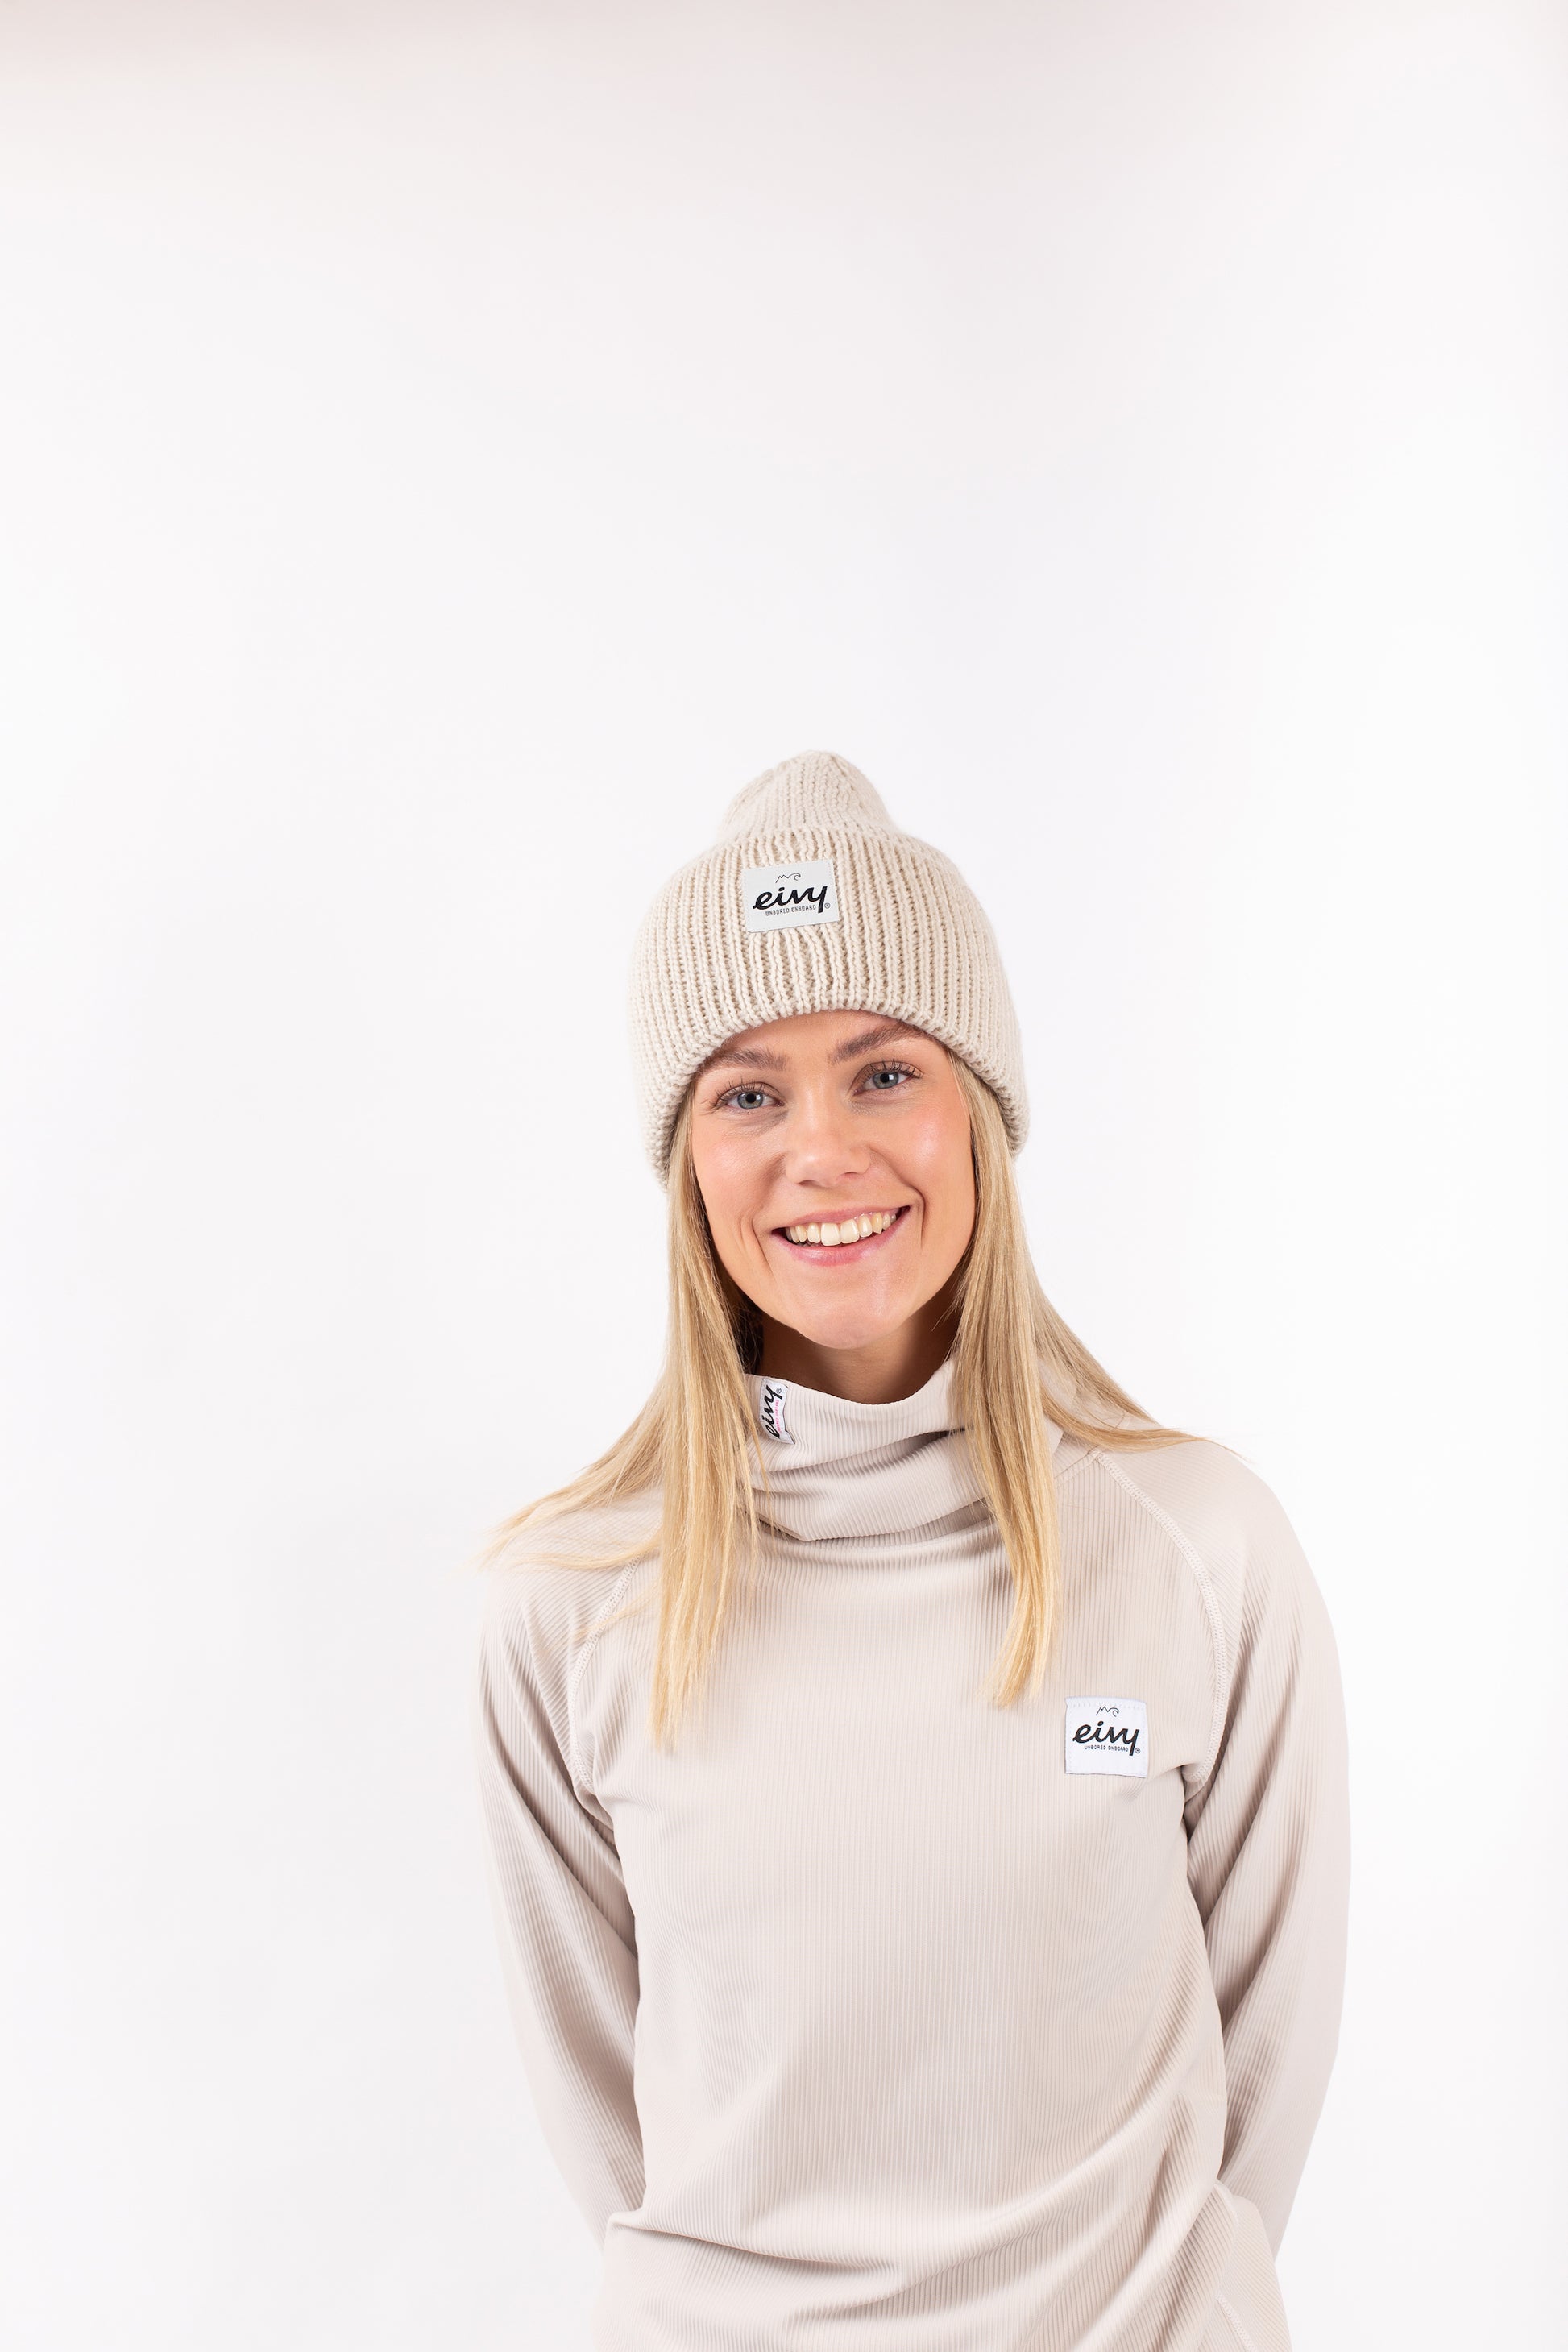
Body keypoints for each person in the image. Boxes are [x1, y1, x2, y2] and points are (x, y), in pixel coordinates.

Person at [472, 749, 1350, 2352]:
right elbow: (611, 2126)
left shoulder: (1198, 1547)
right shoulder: (566, 1607)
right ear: (686, 1161)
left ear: (979, 1117)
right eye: (748, 1092)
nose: (822, 1148)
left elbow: (1261, 2086)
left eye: (884, 1072)